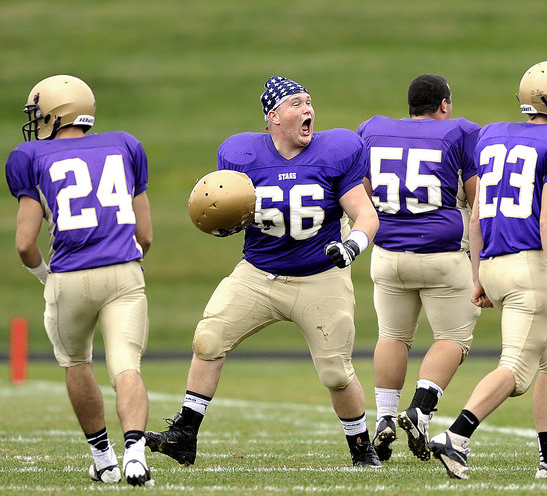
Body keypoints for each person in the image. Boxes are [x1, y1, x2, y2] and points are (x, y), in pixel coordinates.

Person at [144, 75, 382, 468]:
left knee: (336, 373)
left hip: (321, 273)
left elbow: (365, 213)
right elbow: (229, 207)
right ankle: (184, 435)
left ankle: (362, 450)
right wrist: (225, 220)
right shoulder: (240, 154)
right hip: (259, 272)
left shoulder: (337, 149)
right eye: (296, 103)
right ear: (272, 116)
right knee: (209, 337)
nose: (308, 110)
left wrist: (352, 246)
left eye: (309, 102)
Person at [429, 61, 547, 480]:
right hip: (530, 269)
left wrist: (478, 274)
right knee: (516, 370)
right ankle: (457, 436)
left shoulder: (492, 135)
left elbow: (477, 215)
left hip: (496, 265)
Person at [5, 75, 155, 487]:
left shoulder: (30, 155)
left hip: (68, 276)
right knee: (126, 367)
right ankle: (136, 456)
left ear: (55, 113)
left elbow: (24, 244)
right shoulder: (125, 144)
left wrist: (45, 276)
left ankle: (103, 460)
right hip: (123, 272)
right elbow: (145, 236)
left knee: (76, 363)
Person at [357, 74, 481, 462]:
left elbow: (359, 191)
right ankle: (421, 409)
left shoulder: (373, 130)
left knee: (392, 336)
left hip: (389, 255)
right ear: (444, 104)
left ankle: (385, 419)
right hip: (443, 256)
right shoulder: (461, 133)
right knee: (452, 339)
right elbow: (478, 204)